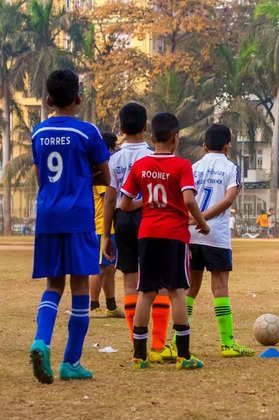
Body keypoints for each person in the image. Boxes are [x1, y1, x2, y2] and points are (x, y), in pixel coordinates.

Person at [29, 69, 114, 383]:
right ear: (78, 98)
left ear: (48, 100)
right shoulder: (86, 132)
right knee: (79, 287)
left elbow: (41, 179)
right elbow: (106, 177)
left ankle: (40, 341)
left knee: (53, 286)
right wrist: (83, 178)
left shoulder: (38, 133)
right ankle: (71, 362)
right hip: (79, 216)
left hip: (48, 216)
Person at [121, 112, 210, 370]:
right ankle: (183, 356)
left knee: (145, 293)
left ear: (152, 137)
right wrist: (202, 223)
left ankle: (139, 356)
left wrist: (146, 203)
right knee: (176, 292)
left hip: (147, 234)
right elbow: (189, 200)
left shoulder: (139, 166)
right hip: (174, 235)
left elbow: (125, 203)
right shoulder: (182, 166)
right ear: (176, 138)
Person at [106, 103, 172, 360]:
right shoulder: (152, 155)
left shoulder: (114, 158)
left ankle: (138, 344)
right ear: (146, 128)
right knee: (161, 280)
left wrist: (105, 236)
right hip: (151, 217)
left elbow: (110, 200)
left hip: (122, 221)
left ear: (120, 128)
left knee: (130, 281)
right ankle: (158, 344)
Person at [186, 124, 254, 358]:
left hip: (191, 234)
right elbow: (229, 199)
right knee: (220, 288)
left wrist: (194, 220)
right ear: (228, 146)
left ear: (204, 146)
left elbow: (185, 198)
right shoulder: (231, 167)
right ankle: (227, 343)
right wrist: (203, 219)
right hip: (216, 235)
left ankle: (177, 341)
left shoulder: (192, 168)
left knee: (190, 288)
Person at [89, 132, 124, 318]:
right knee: (100, 267)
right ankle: (93, 305)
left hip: (109, 227)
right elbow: (109, 197)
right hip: (101, 226)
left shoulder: (102, 167)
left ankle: (111, 306)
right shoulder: (102, 169)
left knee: (109, 267)